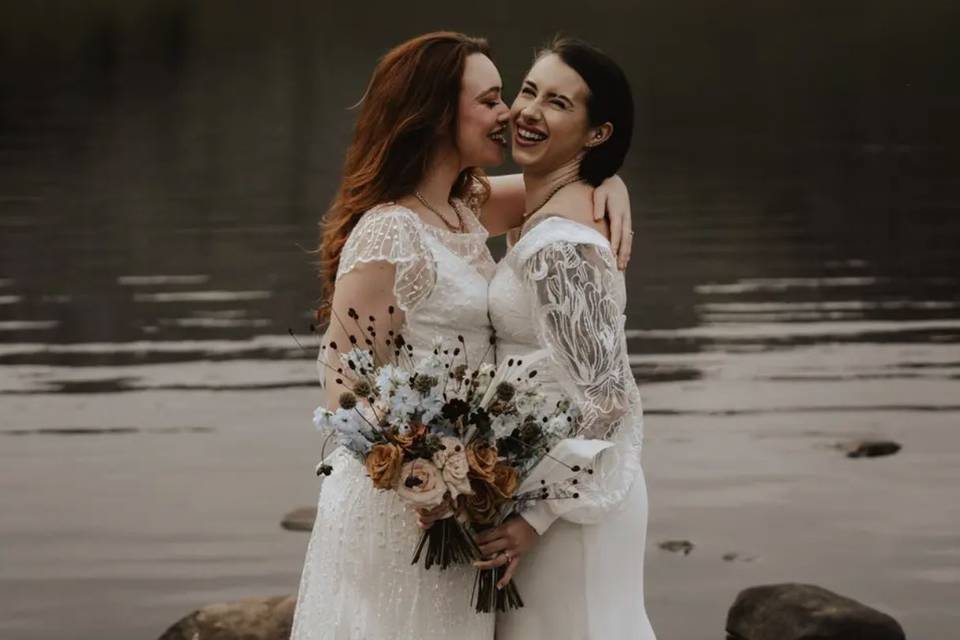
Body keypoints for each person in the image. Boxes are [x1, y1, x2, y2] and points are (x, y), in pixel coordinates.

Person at [290, 32, 633, 639]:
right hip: (405, 507)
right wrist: (421, 477)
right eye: (493, 99)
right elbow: (341, 385)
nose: (509, 115)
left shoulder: (462, 206)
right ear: (437, 113)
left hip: (459, 502)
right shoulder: (388, 232)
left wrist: (612, 183)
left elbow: (558, 187)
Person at [480, 37, 657, 639]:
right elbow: (440, 202)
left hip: (570, 510)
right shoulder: (547, 207)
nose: (529, 111)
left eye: (558, 103)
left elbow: (607, 399)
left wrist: (536, 516)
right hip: (559, 487)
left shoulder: (559, 247)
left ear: (596, 133)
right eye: (528, 91)